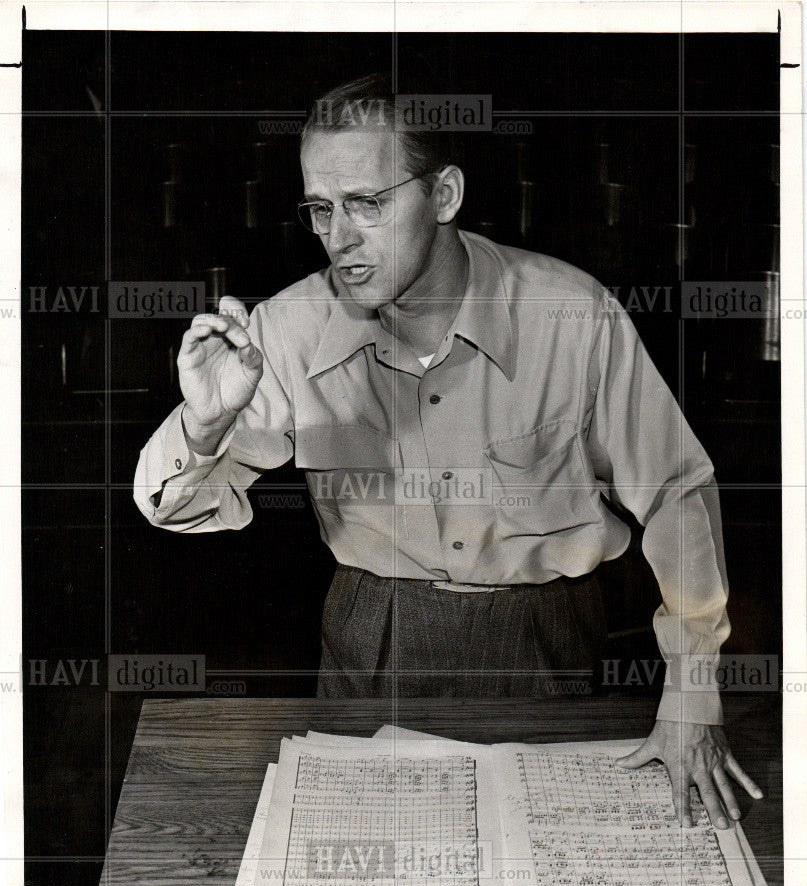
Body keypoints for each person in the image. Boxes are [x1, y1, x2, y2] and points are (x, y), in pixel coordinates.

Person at [134, 74, 763, 829]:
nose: (340, 235)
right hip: (372, 636)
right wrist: (203, 429)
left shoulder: (570, 314)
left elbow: (674, 491)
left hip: (545, 641)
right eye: (320, 209)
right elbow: (180, 510)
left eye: (368, 202)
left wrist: (692, 688)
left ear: (444, 195)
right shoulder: (288, 329)